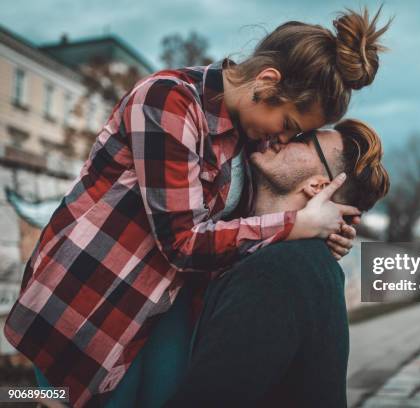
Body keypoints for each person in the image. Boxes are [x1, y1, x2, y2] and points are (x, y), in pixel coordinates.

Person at [3, 7, 390, 407]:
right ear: (267, 80)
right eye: (290, 122)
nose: (284, 137)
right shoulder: (168, 100)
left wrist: (326, 230)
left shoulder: (251, 139)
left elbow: (250, 227)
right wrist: (297, 223)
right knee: (55, 399)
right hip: (93, 300)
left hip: (167, 307)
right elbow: (183, 241)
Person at [164, 119, 390, 407]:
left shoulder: (278, 271)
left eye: (304, 139)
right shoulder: (303, 260)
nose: (281, 136)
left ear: (317, 185)